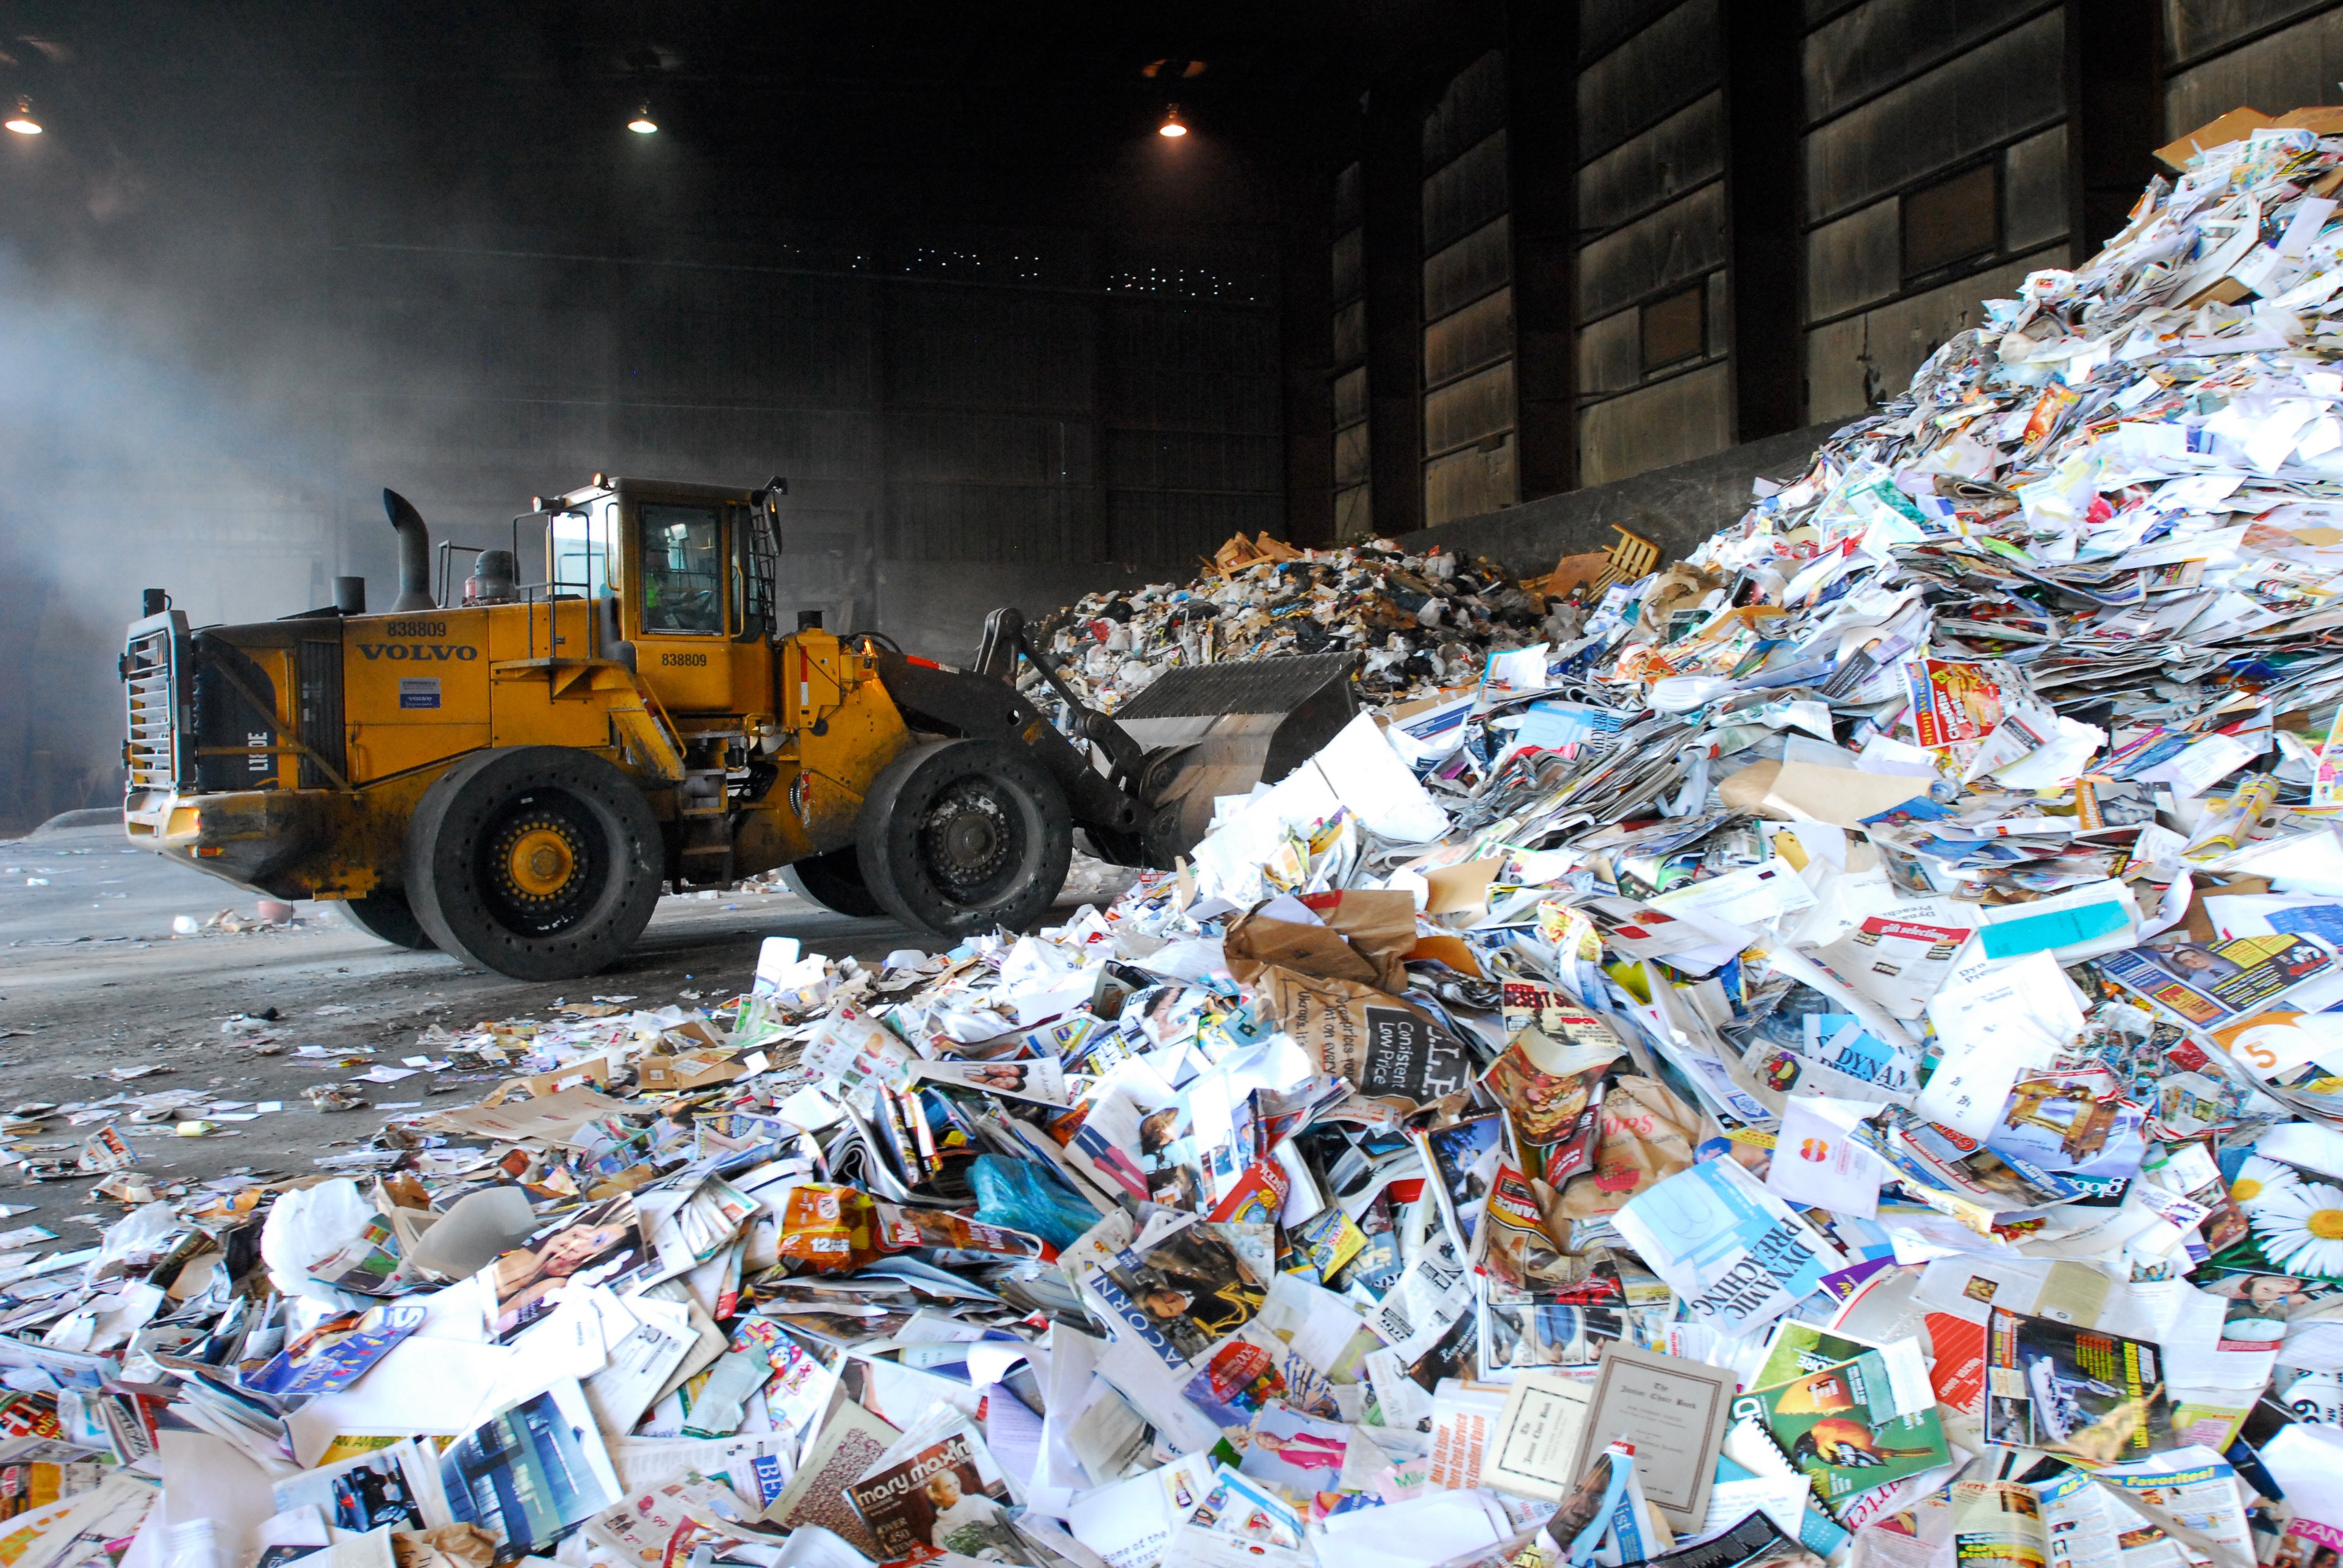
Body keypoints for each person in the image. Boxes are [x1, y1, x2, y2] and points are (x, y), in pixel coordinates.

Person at [492, 1199, 638, 1334]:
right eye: (587, 1234)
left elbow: (491, 1319)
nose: (579, 1244)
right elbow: (480, 1292)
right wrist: (534, 1265)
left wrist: (531, 1268)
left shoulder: (556, 1283)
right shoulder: (542, 1265)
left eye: (598, 1242)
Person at [923, 1470, 1008, 1559]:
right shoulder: (939, 1530)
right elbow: (947, 1562)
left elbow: (1009, 1523)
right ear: (939, 1494)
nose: (955, 1488)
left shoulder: (977, 1501)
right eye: (948, 1487)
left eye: (956, 1483)